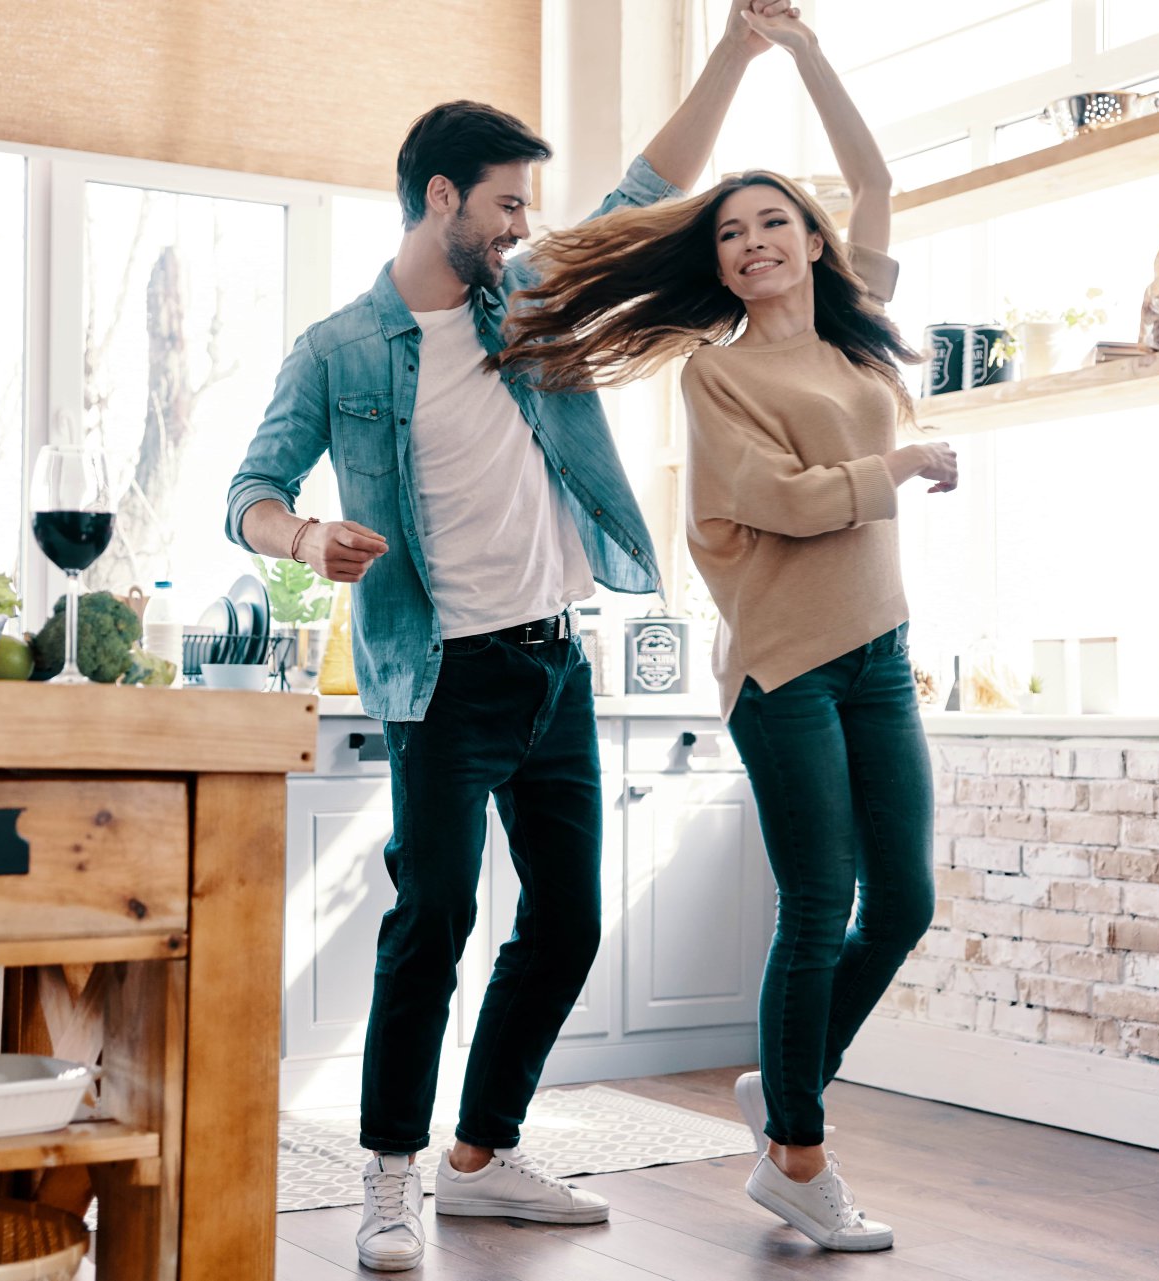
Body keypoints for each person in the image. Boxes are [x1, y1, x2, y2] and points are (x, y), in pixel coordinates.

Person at [225, 4, 789, 1270]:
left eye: (528, 208)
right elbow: (248, 492)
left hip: (554, 662)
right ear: (441, 200)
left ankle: (482, 1155)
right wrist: (306, 540)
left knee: (569, 919)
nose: (525, 227)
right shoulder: (338, 350)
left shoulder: (523, 293)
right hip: (441, 680)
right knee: (428, 926)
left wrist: (741, 51)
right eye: (506, 206)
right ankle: (389, 1179)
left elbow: (649, 190)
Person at [490, 4, 957, 1254]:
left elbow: (874, 176)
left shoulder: (858, 328)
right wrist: (899, 468)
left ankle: (781, 1082)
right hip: (782, 669)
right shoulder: (719, 369)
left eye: (772, 221)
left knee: (902, 901)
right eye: (732, 230)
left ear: (810, 239)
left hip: (880, 655)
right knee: (821, 899)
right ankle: (797, 1160)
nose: (752, 242)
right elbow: (778, 503)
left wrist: (801, 52)